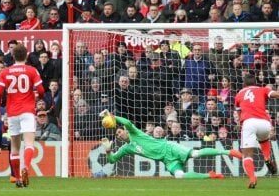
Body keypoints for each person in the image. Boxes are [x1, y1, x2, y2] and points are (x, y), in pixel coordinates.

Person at [99, 109, 242, 179]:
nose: (119, 135)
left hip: (170, 147)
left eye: (119, 132)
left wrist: (113, 116)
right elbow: (112, 159)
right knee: (179, 175)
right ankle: (210, 175)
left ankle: (228, 152)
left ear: (124, 131)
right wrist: (107, 150)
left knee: (195, 153)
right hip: (166, 160)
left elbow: (127, 122)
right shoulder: (126, 148)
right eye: (117, 135)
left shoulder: (134, 132)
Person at [0, 44, 45, 188]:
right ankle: (26, 168)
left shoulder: (5, 72)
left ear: (13, 56)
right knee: (29, 143)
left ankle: (17, 178)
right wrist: (37, 97)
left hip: (12, 113)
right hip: (27, 111)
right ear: (27, 55)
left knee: (15, 148)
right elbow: (41, 90)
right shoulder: (31, 70)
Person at [235, 74, 279, 189]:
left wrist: (240, 124)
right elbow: (275, 95)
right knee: (264, 140)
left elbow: (239, 114)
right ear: (256, 83)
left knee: (247, 155)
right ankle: (267, 157)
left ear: (244, 84)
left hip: (249, 122)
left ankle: (252, 179)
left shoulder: (239, 94)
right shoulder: (263, 89)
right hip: (264, 123)